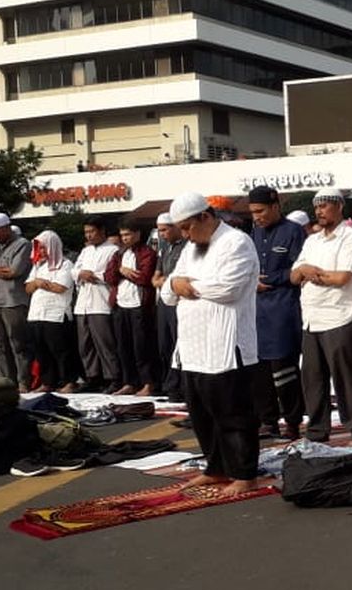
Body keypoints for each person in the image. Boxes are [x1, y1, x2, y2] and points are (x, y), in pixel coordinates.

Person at [160, 192, 261, 496]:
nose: (186, 236)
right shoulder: (191, 249)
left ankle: (245, 474)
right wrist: (179, 284)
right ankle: (216, 468)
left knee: (234, 414)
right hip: (192, 347)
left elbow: (227, 289)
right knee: (202, 415)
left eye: (188, 228)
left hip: (225, 344)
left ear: (205, 216)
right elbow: (167, 290)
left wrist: (186, 285)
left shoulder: (237, 242)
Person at [291, 188, 352, 444]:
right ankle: (316, 431)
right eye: (317, 207)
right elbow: (294, 276)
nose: (319, 211)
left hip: (340, 316)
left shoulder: (350, 237)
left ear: (338, 206)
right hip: (311, 317)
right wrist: (306, 269)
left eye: (324, 206)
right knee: (312, 379)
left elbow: (342, 277)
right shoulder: (312, 240)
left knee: (346, 378)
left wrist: (311, 274)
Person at [248, 186, 305, 440]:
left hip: (283, 308)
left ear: (275, 206)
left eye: (260, 211)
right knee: (259, 370)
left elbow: (297, 270)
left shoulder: (292, 232)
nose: (256, 217)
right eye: (252, 212)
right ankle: (267, 420)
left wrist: (269, 279)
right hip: (257, 311)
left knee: (285, 369)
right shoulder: (255, 233)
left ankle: (292, 421)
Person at [0, 212, 33, 390]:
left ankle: (23, 381)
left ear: (7, 227)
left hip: (13, 300)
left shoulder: (23, 244)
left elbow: (14, 272)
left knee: (18, 343)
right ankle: (5, 382)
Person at [106, 218, 158, 396]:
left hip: (139, 305)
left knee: (142, 347)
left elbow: (144, 278)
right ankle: (129, 382)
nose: (125, 238)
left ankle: (148, 383)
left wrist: (124, 272)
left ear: (137, 234)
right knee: (123, 347)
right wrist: (122, 270)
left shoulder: (147, 253)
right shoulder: (119, 254)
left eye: (128, 234)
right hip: (120, 304)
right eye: (122, 235)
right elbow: (109, 277)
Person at [25, 230, 78, 393]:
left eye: (43, 248)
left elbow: (61, 287)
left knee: (61, 351)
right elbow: (28, 288)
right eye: (39, 249)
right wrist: (40, 283)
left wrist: (40, 283)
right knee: (41, 350)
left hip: (56, 314)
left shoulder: (65, 264)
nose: (41, 252)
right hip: (37, 313)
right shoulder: (38, 266)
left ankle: (68, 381)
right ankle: (48, 381)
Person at [73, 218, 122, 393]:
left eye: (92, 231)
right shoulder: (86, 251)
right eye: (86, 232)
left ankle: (113, 377)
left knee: (105, 343)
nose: (89, 235)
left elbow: (112, 273)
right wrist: (80, 273)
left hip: (101, 301)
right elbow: (75, 270)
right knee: (85, 344)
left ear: (102, 231)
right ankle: (93, 376)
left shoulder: (113, 250)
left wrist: (92, 275)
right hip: (83, 303)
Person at [151, 214, 185, 401]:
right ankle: (169, 383)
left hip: (180, 301)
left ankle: (178, 386)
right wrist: (165, 281)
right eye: (160, 230)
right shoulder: (164, 248)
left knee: (178, 344)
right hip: (164, 301)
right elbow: (156, 278)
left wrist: (167, 281)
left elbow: (176, 278)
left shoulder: (187, 247)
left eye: (165, 229)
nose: (162, 234)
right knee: (164, 344)